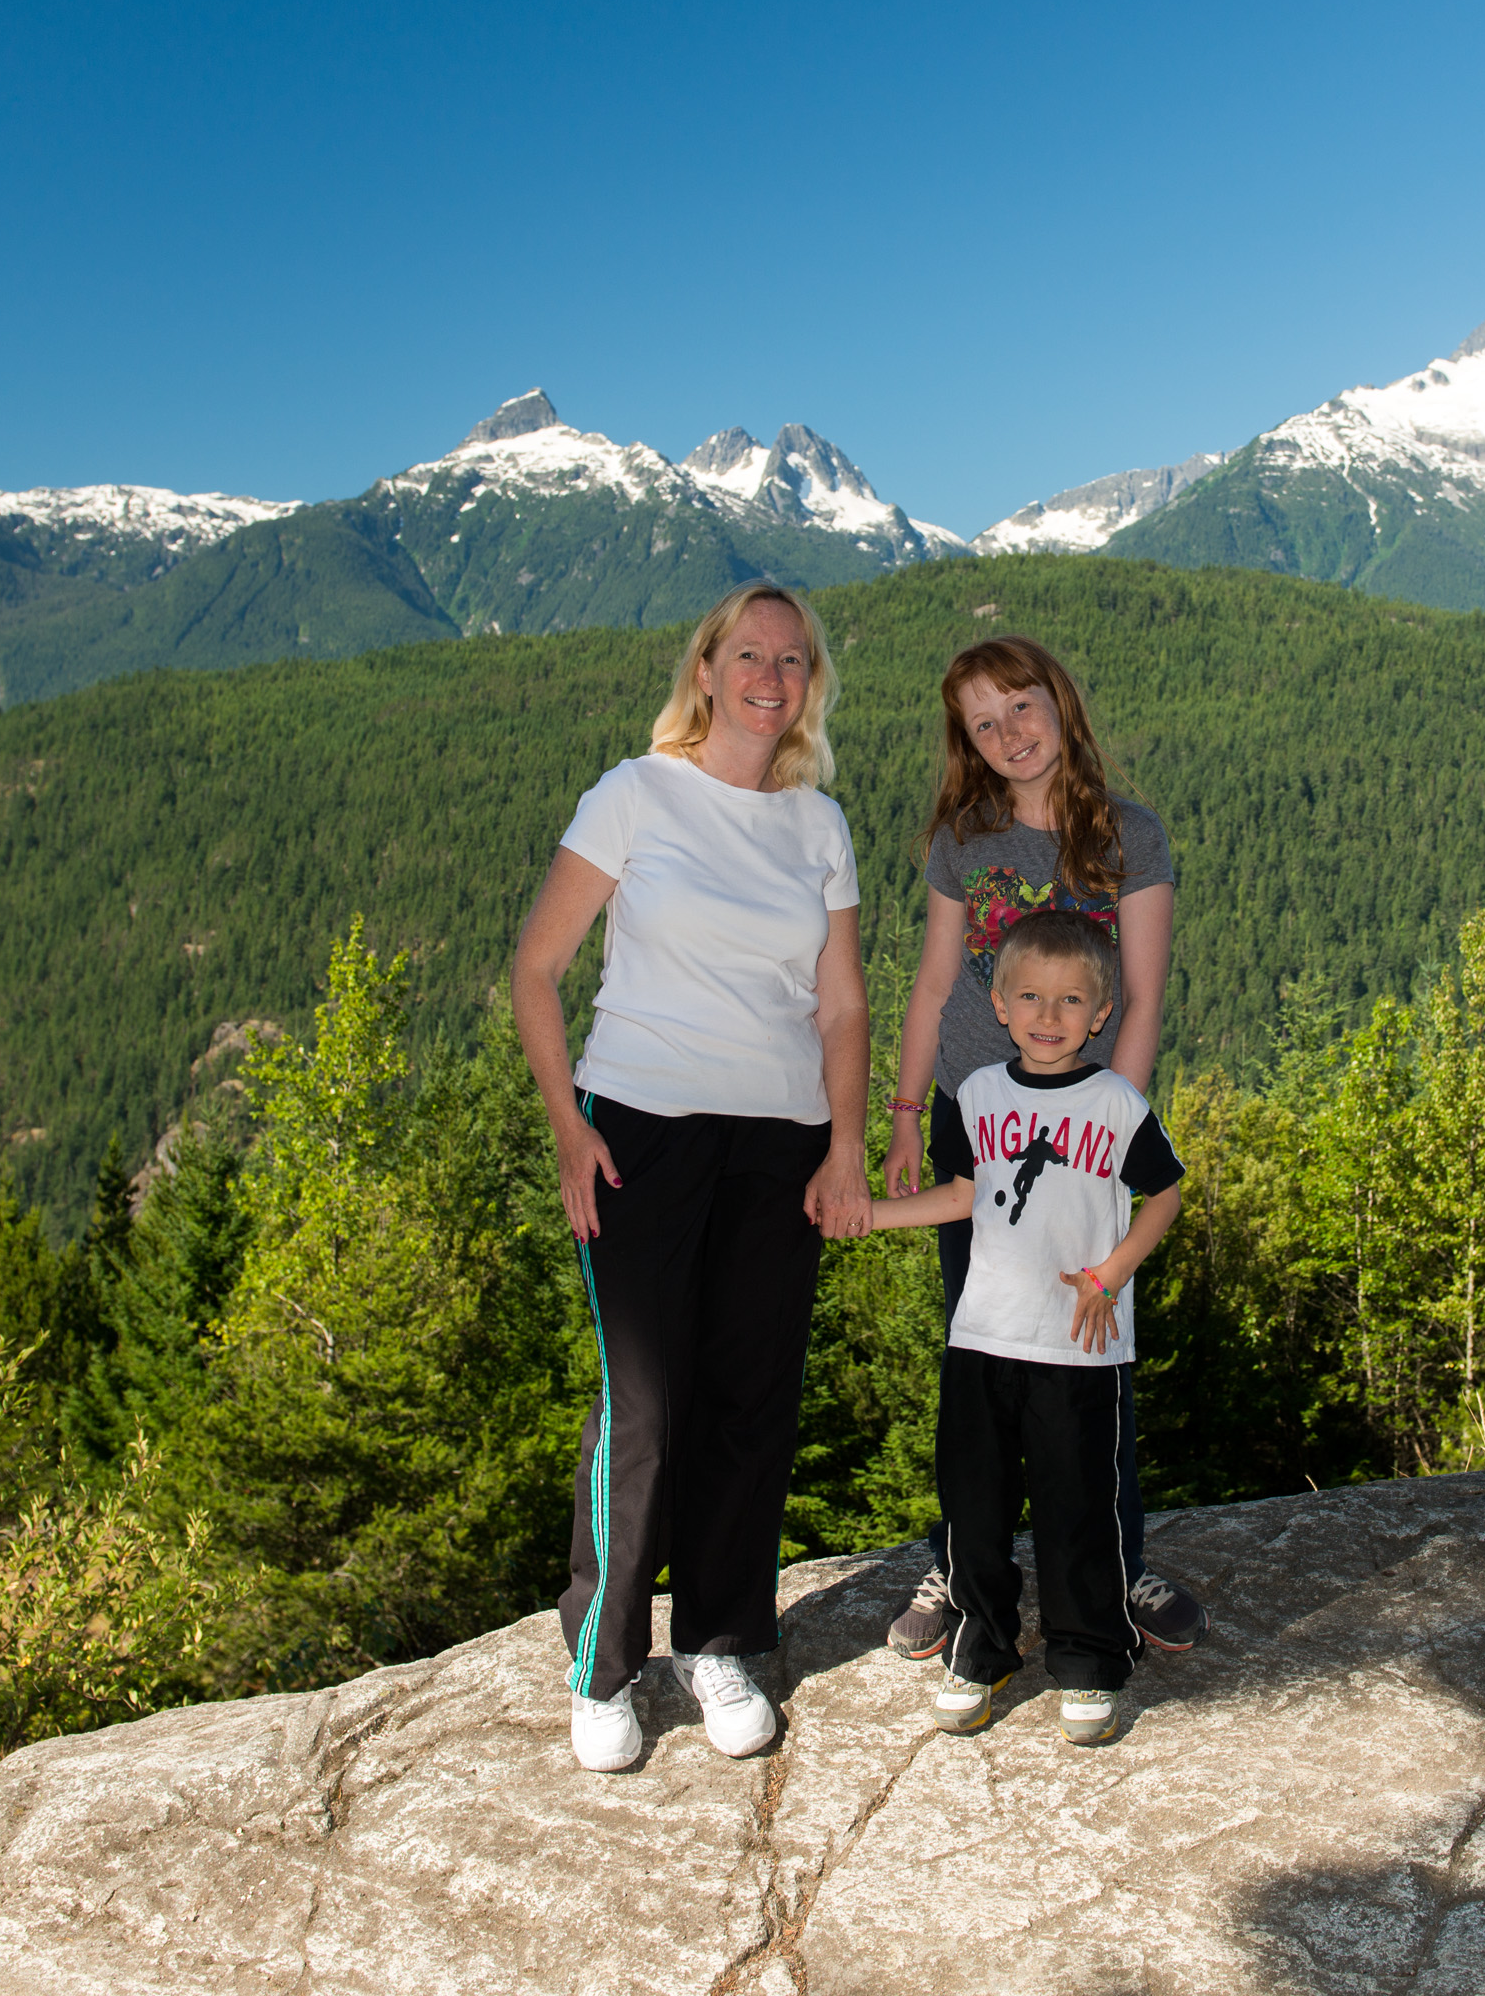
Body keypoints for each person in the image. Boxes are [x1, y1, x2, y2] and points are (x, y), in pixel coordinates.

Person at [508, 580, 874, 1774]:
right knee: (649, 1405)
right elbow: (536, 967)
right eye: (749, 655)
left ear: (810, 685)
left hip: (781, 1141)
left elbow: (842, 1006)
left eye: (793, 660)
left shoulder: (818, 825)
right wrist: (568, 1128)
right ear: (706, 670)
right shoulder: (635, 794)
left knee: (750, 1399)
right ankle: (605, 1665)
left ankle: (719, 1642)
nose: (771, 677)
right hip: (642, 1129)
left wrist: (844, 1144)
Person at [876, 635, 1207, 1657]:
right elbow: (936, 985)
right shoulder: (963, 841)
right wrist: (903, 1114)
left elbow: (1141, 996)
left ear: (1059, 702)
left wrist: (1111, 1125)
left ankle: (1117, 1560)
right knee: (977, 1345)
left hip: (1087, 1123)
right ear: (967, 744)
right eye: (984, 723)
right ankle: (959, 1561)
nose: (1009, 733)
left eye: (1020, 705)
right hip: (974, 1118)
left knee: (1091, 1346)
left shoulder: (1130, 836)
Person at [866, 910, 1185, 1746]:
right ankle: (981, 1649)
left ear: (1101, 1012)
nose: (1050, 1015)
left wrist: (1112, 1273)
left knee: (1079, 1512)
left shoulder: (1116, 1103)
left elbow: (1165, 1196)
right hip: (984, 1336)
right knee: (975, 1507)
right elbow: (961, 1197)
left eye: (1072, 999)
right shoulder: (978, 1095)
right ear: (1001, 1005)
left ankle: (1089, 1661)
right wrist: (871, 1215)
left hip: (1079, 1346)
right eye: (1032, 997)